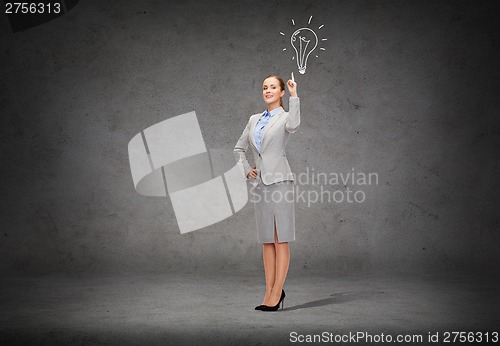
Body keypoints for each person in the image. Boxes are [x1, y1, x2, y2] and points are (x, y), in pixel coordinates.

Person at [234, 74, 300, 311]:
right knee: (266, 241)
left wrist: (294, 98)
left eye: (273, 87)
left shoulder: (285, 118)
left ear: (281, 92)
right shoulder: (254, 120)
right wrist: (246, 170)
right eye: (264, 87)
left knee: (280, 238)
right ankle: (270, 291)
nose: (268, 90)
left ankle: (276, 292)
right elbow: (239, 148)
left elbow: (294, 126)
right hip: (261, 184)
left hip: (281, 181)